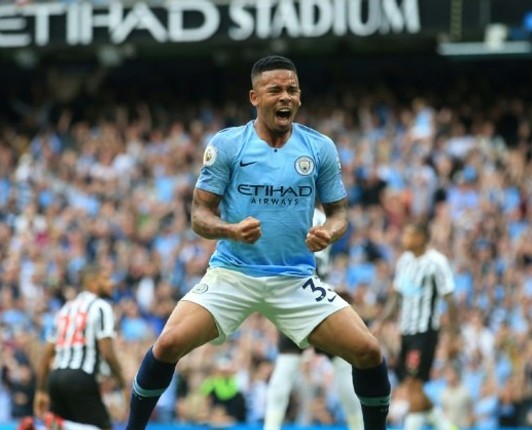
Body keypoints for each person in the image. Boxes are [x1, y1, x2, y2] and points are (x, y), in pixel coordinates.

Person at [125, 55, 391, 430]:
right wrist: (230, 230)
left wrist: (329, 232)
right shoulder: (229, 144)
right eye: (276, 90)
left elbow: (340, 213)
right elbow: (199, 215)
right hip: (233, 274)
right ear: (254, 97)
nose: (286, 97)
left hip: (294, 279)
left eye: (293, 90)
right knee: (167, 344)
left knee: (368, 351)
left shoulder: (319, 148)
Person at [263, 206, 364, 430]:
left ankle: (271, 426)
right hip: (319, 298)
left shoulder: (298, 214)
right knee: (341, 365)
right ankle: (357, 426)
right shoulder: (323, 217)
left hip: (297, 298)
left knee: (286, 366)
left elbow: (304, 263)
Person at [372, 222, 459, 430]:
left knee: (413, 383)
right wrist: (381, 322)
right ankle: (444, 424)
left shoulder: (437, 262)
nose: (404, 239)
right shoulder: (404, 261)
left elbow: (450, 299)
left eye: (409, 234)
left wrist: (454, 336)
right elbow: (396, 296)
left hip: (425, 331)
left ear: (421, 238)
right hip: (406, 331)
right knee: (413, 384)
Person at [34, 264, 126, 430]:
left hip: (55, 379)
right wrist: (123, 383)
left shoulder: (65, 309)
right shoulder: (101, 307)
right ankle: (61, 426)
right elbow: (108, 353)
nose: (112, 283)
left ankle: (57, 426)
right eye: (106, 278)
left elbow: (46, 355)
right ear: (92, 283)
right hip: (80, 378)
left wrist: (41, 390)